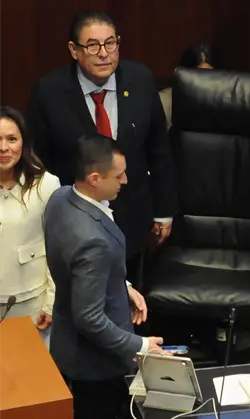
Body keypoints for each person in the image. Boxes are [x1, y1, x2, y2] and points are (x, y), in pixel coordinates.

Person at [27, 11, 176, 286]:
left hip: (133, 219)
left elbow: (159, 150)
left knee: (129, 304)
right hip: (75, 223)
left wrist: (164, 211)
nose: (104, 53)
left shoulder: (140, 80)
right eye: (92, 46)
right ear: (74, 50)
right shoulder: (49, 92)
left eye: (111, 43)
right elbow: (37, 161)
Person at [45, 135, 164, 419]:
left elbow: (76, 266)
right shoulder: (92, 240)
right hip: (95, 365)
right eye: (119, 175)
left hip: (66, 345)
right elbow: (89, 318)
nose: (125, 181)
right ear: (95, 178)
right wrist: (141, 346)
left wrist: (121, 286)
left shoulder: (61, 198)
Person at [0, 106, 61, 345]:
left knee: (30, 379)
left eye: (11, 139)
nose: (3, 148)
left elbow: (58, 249)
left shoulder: (46, 185)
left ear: (23, 143)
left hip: (31, 305)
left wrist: (51, 303)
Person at [159, 43, 215, 129]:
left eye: (210, 75)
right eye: (199, 75)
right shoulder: (164, 102)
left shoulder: (225, 103)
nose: (205, 82)